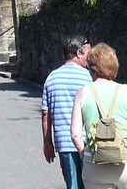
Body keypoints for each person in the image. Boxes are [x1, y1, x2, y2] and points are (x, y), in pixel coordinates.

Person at [70, 43, 127, 189]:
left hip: (95, 164)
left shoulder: (82, 93)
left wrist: (85, 153)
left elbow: (75, 135)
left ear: (91, 68)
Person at [42, 35, 93, 189]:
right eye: (88, 54)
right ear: (79, 53)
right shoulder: (89, 78)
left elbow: (46, 114)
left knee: (73, 185)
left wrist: (47, 142)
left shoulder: (52, 78)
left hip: (64, 143)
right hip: (88, 143)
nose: (90, 59)